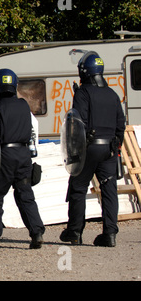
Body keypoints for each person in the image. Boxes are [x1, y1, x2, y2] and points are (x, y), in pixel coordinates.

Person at [60, 52, 125, 247]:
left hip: (88, 148)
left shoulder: (83, 93)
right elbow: (120, 125)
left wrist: (74, 150)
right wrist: (115, 145)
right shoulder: (113, 94)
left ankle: (75, 231)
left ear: (84, 71)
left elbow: (77, 123)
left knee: (78, 188)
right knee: (109, 190)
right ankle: (110, 234)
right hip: (110, 150)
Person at [0, 68, 45, 249]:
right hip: (23, 156)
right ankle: (36, 232)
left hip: (4, 156)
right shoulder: (24, 105)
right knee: (26, 196)